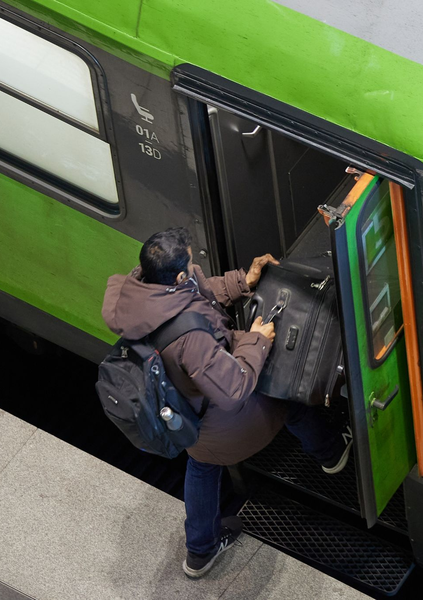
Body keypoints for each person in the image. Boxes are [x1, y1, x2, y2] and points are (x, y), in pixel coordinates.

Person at [101, 227, 352, 579]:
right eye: (190, 264)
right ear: (177, 276)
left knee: (202, 463)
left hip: (188, 414)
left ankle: (200, 552)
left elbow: (196, 297)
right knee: (287, 396)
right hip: (224, 422)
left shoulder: (141, 293)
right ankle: (332, 454)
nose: (194, 268)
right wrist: (257, 341)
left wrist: (242, 281)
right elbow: (234, 389)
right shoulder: (191, 341)